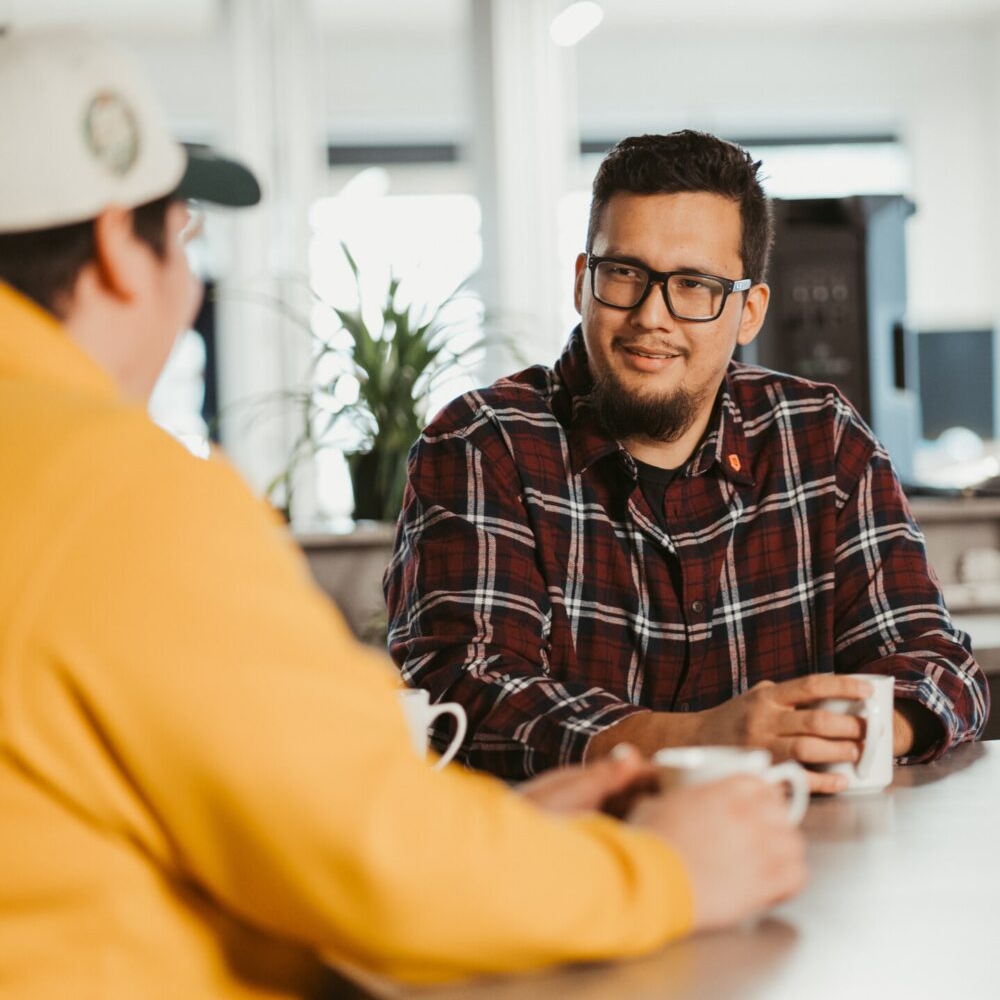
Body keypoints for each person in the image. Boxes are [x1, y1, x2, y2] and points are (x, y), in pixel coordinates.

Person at [0, 29, 807, 999]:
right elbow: (371, 859)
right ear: (116, 253)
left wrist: (492, 836)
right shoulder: (115, 493)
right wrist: (668, 873)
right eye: (186, 235)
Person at [385, 130, 990, 788]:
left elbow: (935, 662)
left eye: (695, 284)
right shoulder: (483, 443)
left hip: (800, 857)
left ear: (749, 310)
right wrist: (702, 739)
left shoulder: (821, 438)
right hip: (567, 873)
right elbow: (467, 692)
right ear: (584, 282)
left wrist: (858, 730)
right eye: (625, 273)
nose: (652, 315)